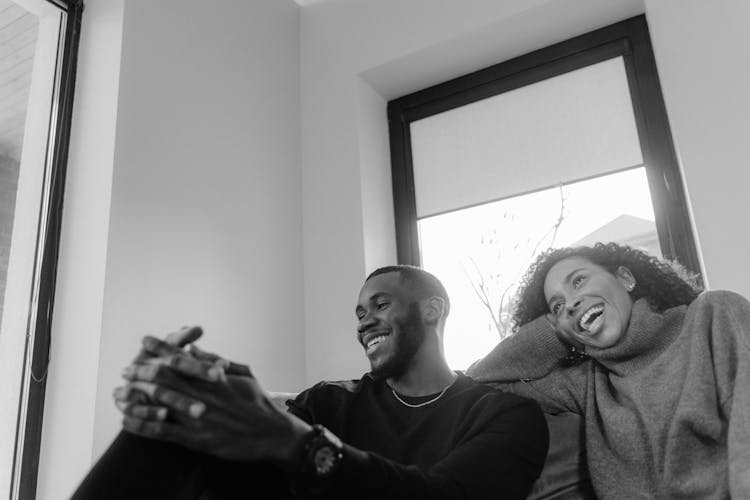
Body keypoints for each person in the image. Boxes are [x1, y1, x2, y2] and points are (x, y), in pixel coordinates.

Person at [72, 265, 548, 499]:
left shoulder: (507, 416)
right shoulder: (328, 401)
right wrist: (187, 395)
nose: (364, 323)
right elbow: (252, 451)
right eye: (359, 314)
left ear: (432, 309)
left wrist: (299, 444)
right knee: (181, 415)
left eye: (380, 305)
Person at [467, 242, 750, 499]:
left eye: (578, 281)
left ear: (625, 278)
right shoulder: (588, 384)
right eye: (558, 305)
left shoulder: (712, 314)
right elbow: (476, 383)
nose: (571, 303)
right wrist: (555, 332)